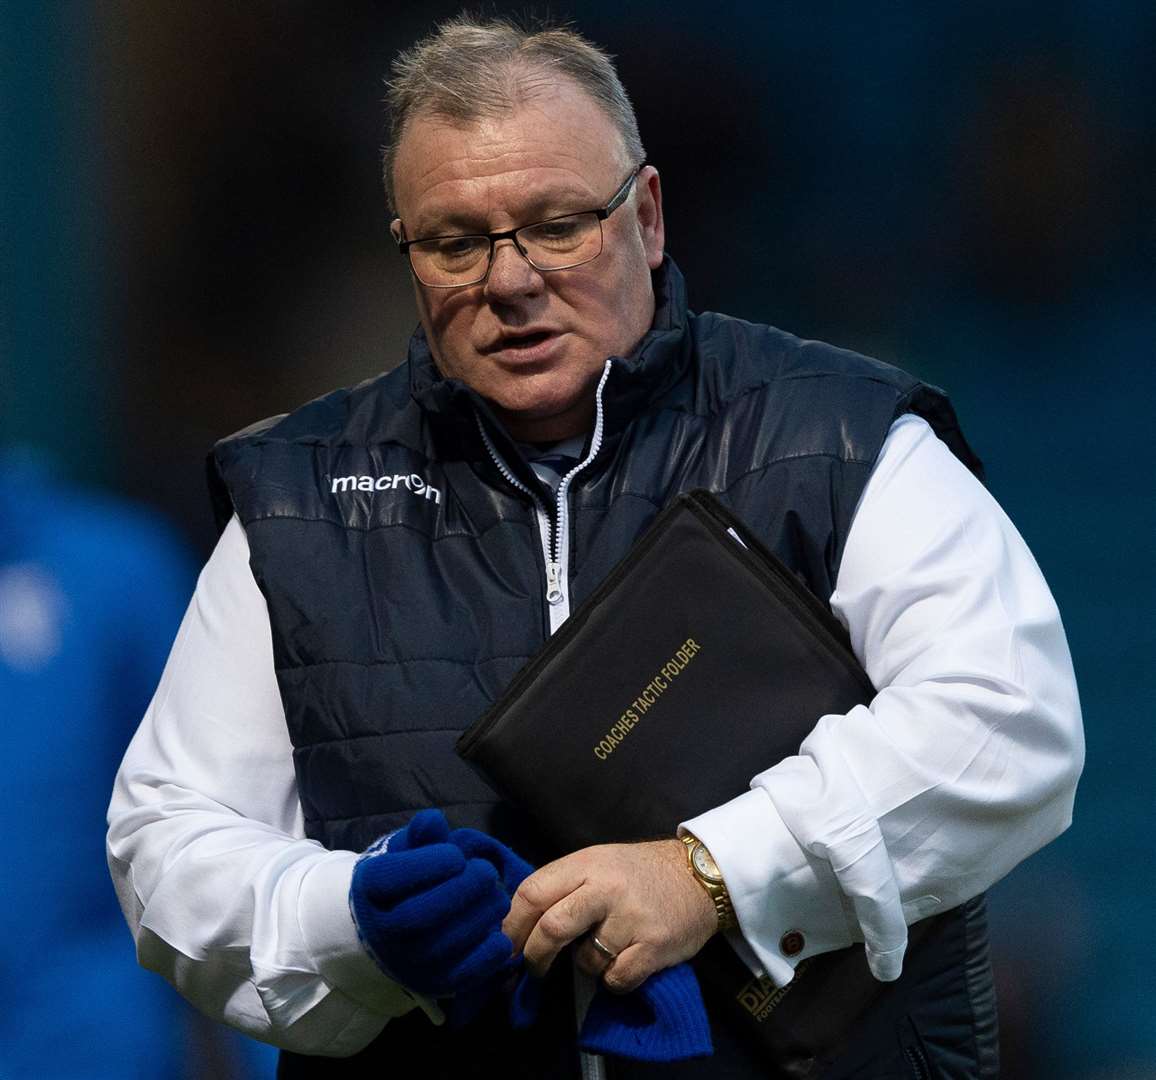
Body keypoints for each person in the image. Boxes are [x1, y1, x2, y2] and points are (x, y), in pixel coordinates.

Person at [107, 15, 1084, 1079]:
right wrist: (350, 920)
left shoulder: (840, 434)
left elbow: (1006, 720)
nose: (511, 279)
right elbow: (168, 839)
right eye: (455, 242)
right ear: (407, 255)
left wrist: (712, 872)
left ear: (648, 216)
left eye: (558, 224)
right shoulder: (298, 500)